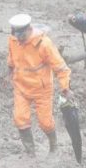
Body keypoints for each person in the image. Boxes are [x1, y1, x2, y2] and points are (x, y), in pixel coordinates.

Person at [7, 14, 72, 156]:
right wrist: (10, 71)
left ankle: (54, 146)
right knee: (20, 119)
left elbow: (61, 68)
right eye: (15, 34)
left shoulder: (44, 44)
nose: (18, 38)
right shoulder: (13, 40)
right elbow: (12, 59)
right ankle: (30, 152)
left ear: (28, 29)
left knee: (45, 123)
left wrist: (65, 87)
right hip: (21, 87)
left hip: (41, 89)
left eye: (21, 35)